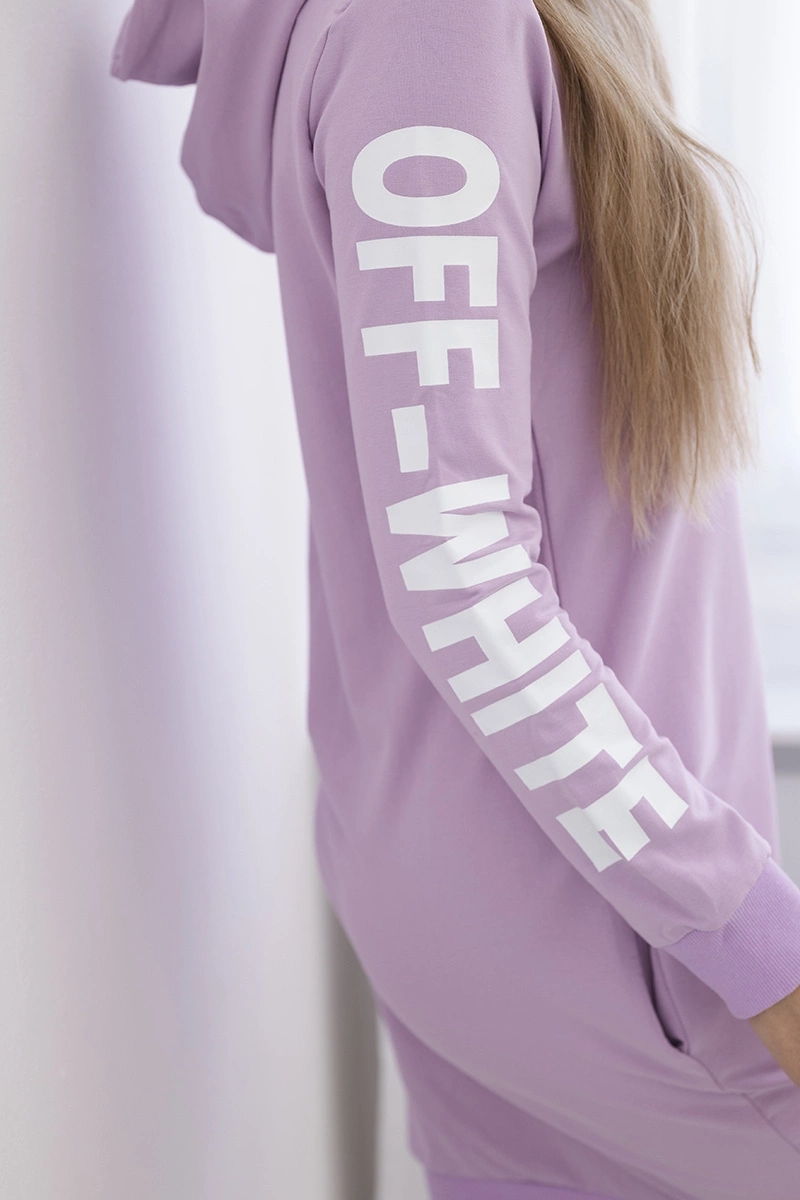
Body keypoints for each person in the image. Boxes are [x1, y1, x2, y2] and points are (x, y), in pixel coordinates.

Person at [110, 0, 800, 1195]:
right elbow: (459, 569)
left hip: (528, 886)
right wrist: (754, 941)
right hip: (606, 918)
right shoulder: (430, 28)